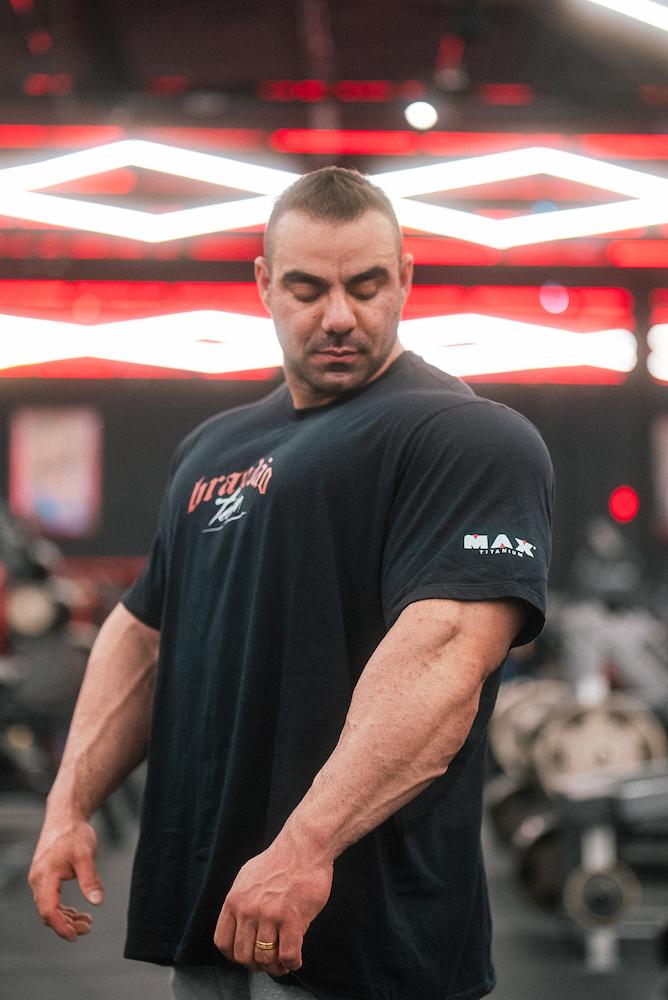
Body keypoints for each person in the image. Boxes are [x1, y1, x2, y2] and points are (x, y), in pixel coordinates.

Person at [28, 166, 554, 1000]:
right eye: (308, 289)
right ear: (265, 283)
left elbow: (445, 659)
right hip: (206, 921)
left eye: (365, 286)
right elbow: (145, 636)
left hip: (365, 937)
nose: (338, 316)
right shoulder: (210, 449)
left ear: (405, 278)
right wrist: (68, 805)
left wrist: (305, 848)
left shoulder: (466, 437)